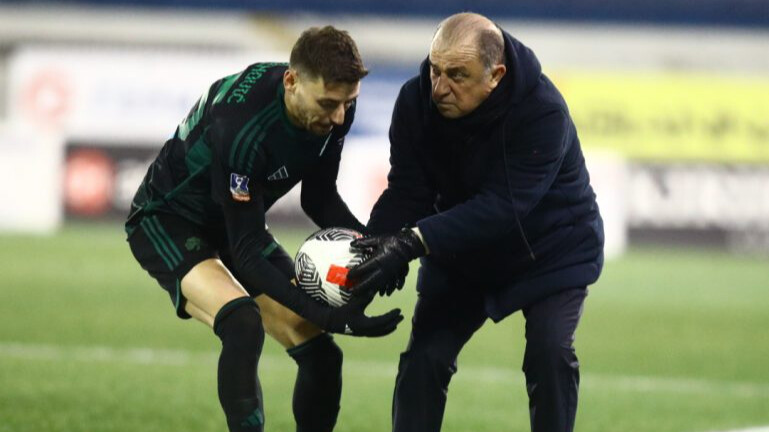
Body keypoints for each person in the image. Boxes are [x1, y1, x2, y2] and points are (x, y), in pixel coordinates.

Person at [125, 26, 403, 432]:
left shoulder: (334, 109)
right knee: (242, 323)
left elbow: (319, 199)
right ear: (291, 81)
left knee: (323, 356)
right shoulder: (241, 124)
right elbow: (249, 250)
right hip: (166, 220)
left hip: (233, 223)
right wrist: (331, 316)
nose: (339, 117)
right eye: (329, 103)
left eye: (348, 103)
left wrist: (378, 249)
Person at [348, 12, 605, 432]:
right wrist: (374, 248)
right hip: (460, 253)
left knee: (549, 352)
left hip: (551, 249)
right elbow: (408, 189)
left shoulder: (543, 112)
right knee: (424, 359)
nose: (439, 87)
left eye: (457, 75)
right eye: (435, 69)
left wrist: (412, 241)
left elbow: (503, 207)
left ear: (496, 75)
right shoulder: (415, 102)